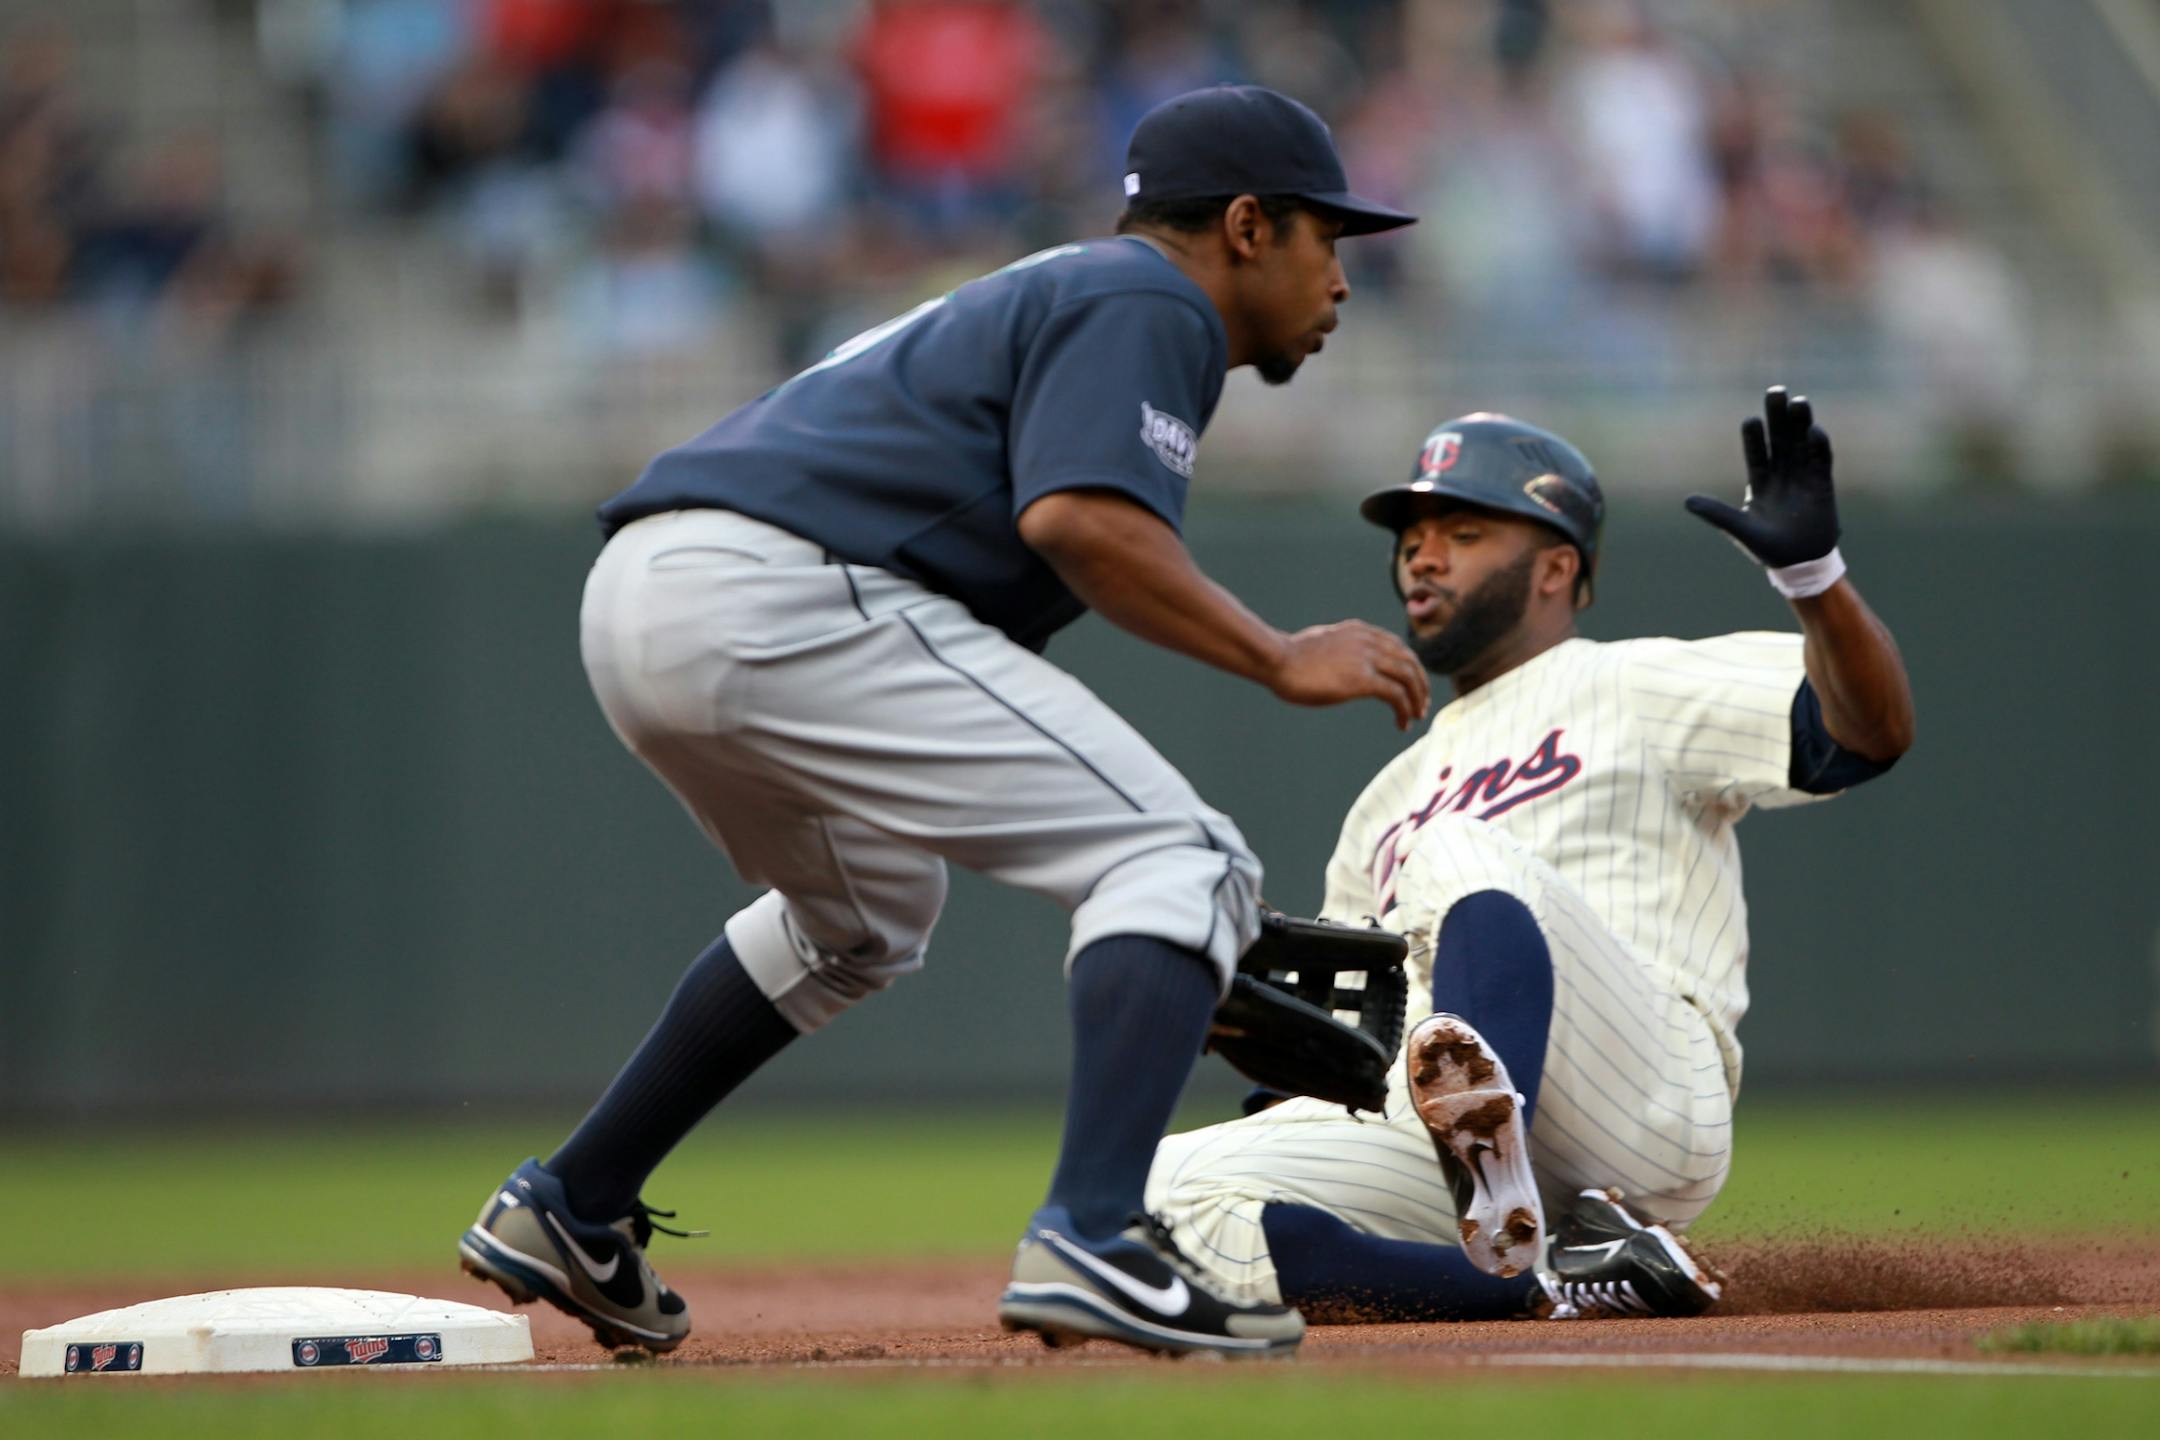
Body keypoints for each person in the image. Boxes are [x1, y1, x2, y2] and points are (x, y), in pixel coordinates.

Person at [456, 85, 1425, 1359]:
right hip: (779, 594)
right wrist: (1279, 656)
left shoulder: (1072, 292)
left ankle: (573, 1205)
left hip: (658, 599)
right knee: (1180, 859)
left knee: (865, 918)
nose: (1342, 279)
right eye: (1327, 237)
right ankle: (1095, 1233)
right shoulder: (1149, 298)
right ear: (1247, 225)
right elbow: (1082, 524)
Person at [1143, 390, 1915, 1321]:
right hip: (1435, 1139)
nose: (1422, 552)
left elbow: (1869, 731)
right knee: (1142, 1198)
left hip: (1638, 1092)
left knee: (1459, 849)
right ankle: (1541, 1282)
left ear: (1556, 566)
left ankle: (1498, 1176)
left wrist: (1815, 582)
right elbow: (1360, 1046)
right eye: (1414, 534)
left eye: (1462, 530)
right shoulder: (1382, 804)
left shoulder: (1632, 682)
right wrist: (1277, 1068)